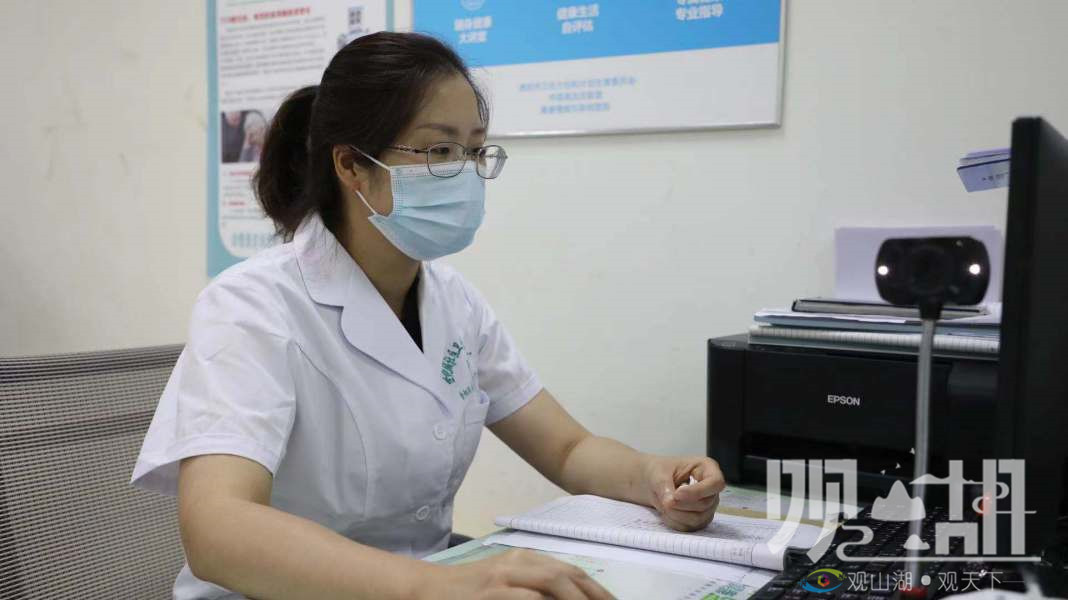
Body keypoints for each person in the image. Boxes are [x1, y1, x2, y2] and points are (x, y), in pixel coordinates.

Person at [132, 32, 725, 600]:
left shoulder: (453, 302)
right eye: (440, 151)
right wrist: (433, 587)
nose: (464, 171)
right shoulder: (252, 306)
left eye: (474, 150)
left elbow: (568, 449)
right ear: (352, 165)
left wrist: (654, 476)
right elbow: (218, 529)